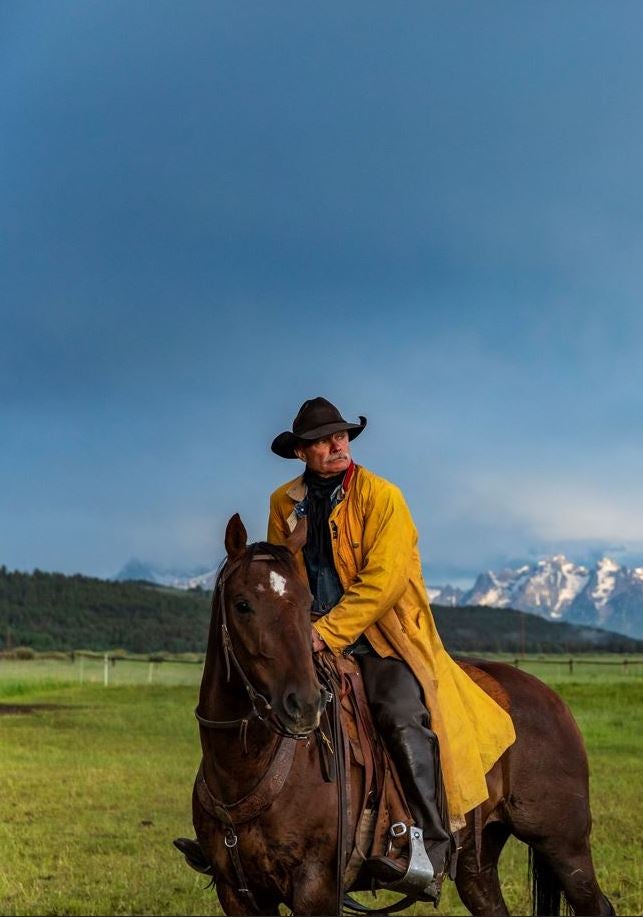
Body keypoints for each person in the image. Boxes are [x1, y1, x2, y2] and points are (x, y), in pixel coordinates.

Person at [268, 397, 516, 897]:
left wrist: (327, 633)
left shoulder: (383, 498)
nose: (337, 444)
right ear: (301, 452)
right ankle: (234, 832)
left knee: (399, 712)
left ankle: (432, 844)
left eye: (342, 436)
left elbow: (382, 583)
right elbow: (282, 573)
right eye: (323, 439)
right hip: (309, 636)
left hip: (381, 638)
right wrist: (297, 632)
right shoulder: (282, 503)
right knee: (258, 701)